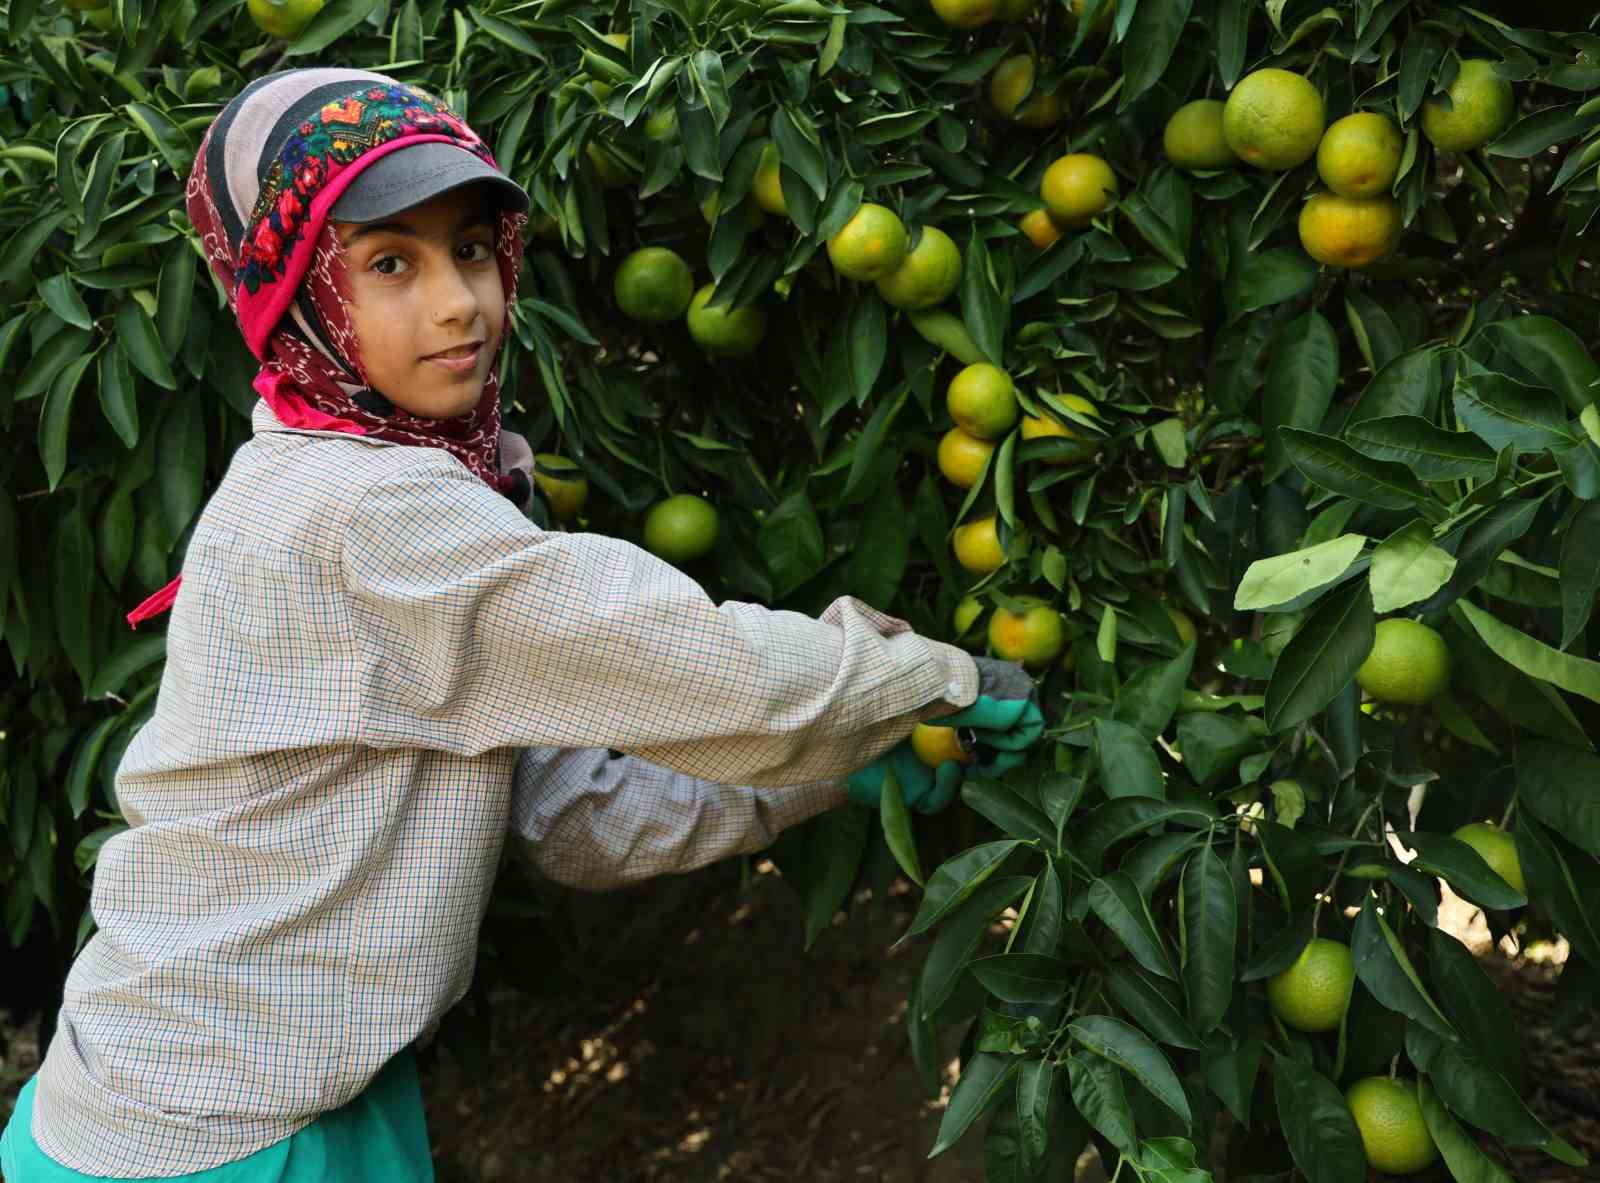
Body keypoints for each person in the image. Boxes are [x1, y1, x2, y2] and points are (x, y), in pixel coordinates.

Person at [0, 69, 1042, 1181]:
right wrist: (936, 678)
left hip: (242, 1090)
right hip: (217, 1137)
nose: (459, 301)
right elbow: (705, 671)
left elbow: (570, 812)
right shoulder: (369, 509)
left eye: (472, 248)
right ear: (294, 295)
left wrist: (832, 774)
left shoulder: (373, 476)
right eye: (388, 262)